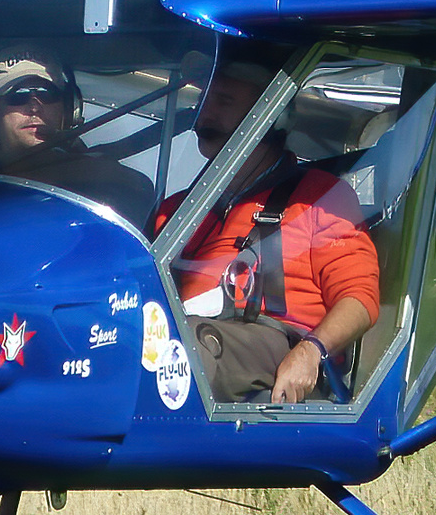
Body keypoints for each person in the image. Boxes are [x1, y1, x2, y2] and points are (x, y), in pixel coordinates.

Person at [152, 54, 379, 404]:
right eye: (205, 100)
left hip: (275, 345)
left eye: (224, 101)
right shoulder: (176, 211)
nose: (206, 114)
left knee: (186, 345)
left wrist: (309, 352)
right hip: (187, 342)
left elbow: (359, 299)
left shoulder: (320, 198)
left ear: (271, 118)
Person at [0, 46, 156, 226]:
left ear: (70, 107)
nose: (34, 108)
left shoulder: (105, 178)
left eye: (47, 94)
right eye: (18, 96)